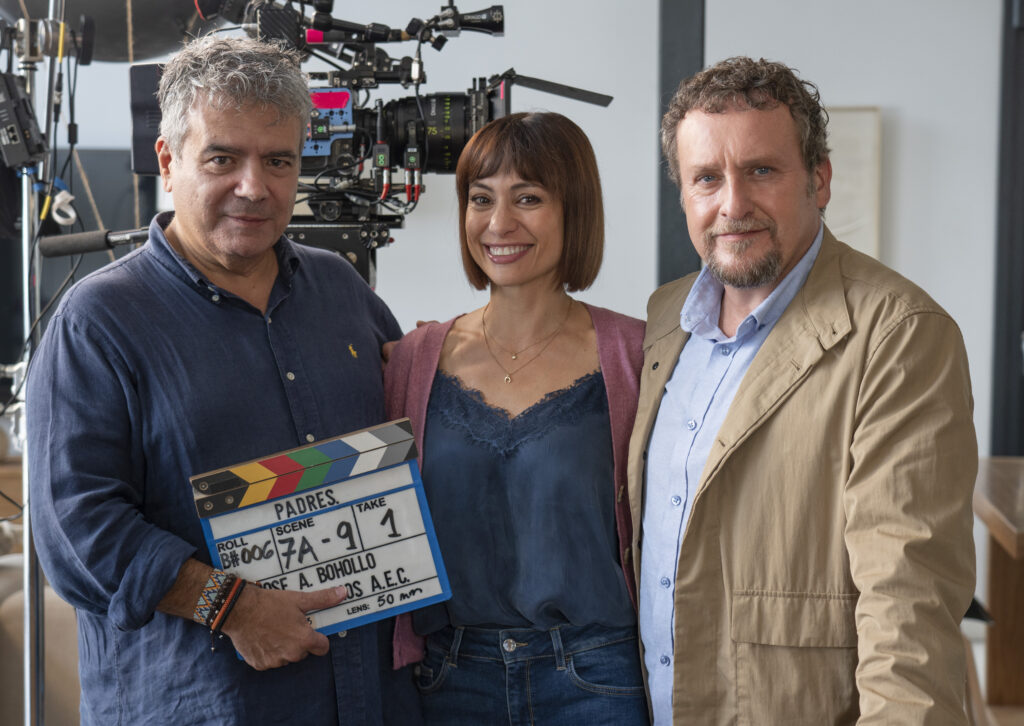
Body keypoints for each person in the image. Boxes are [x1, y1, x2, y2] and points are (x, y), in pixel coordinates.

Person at [27, 35, 418, 725]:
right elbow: (76, 532)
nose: (254, 187)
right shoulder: (98, 322)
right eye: (222, 158)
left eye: (278, 161)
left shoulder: (341, 289)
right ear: (167, 160)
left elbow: (412, 438)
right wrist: (229, 607)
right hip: (200, 705)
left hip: (367, 697)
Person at [629, 56, 977, 724]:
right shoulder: (665, 320)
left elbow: (908, 607)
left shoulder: (898, 332)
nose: (733, 205)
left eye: (761, 170)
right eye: (707, 178)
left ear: (819, 179)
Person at [385, 112, 649, 725]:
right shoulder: (411, 361)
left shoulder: (639, 356)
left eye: (528, 198)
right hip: (448, 680)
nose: (499, 223)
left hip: (599, 679)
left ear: (574, 210)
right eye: (481, 199)